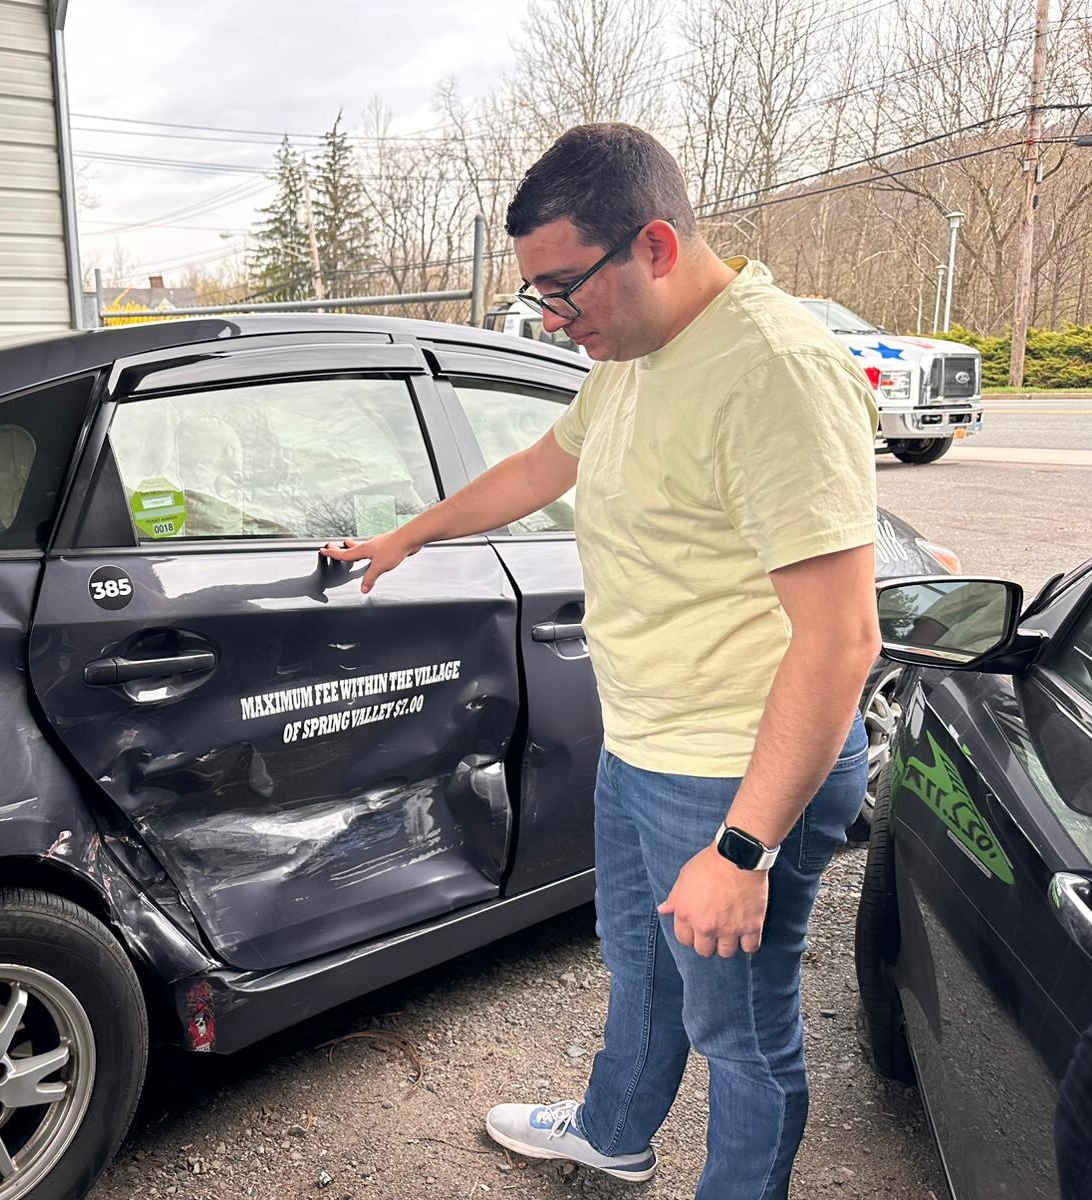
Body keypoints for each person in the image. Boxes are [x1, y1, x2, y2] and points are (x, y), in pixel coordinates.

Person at [321, 123, 880, 1199]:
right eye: (537, 293)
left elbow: (841, 637)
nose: (551, 318)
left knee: (741, 1035)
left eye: (563, 289)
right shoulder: (631, 353)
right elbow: (545, 462)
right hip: (643, 745)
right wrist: (409, 535)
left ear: (654, 246)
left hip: (734, 773)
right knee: (639, 970)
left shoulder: (775, 372)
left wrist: (742, 849)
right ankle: (613, 1133)